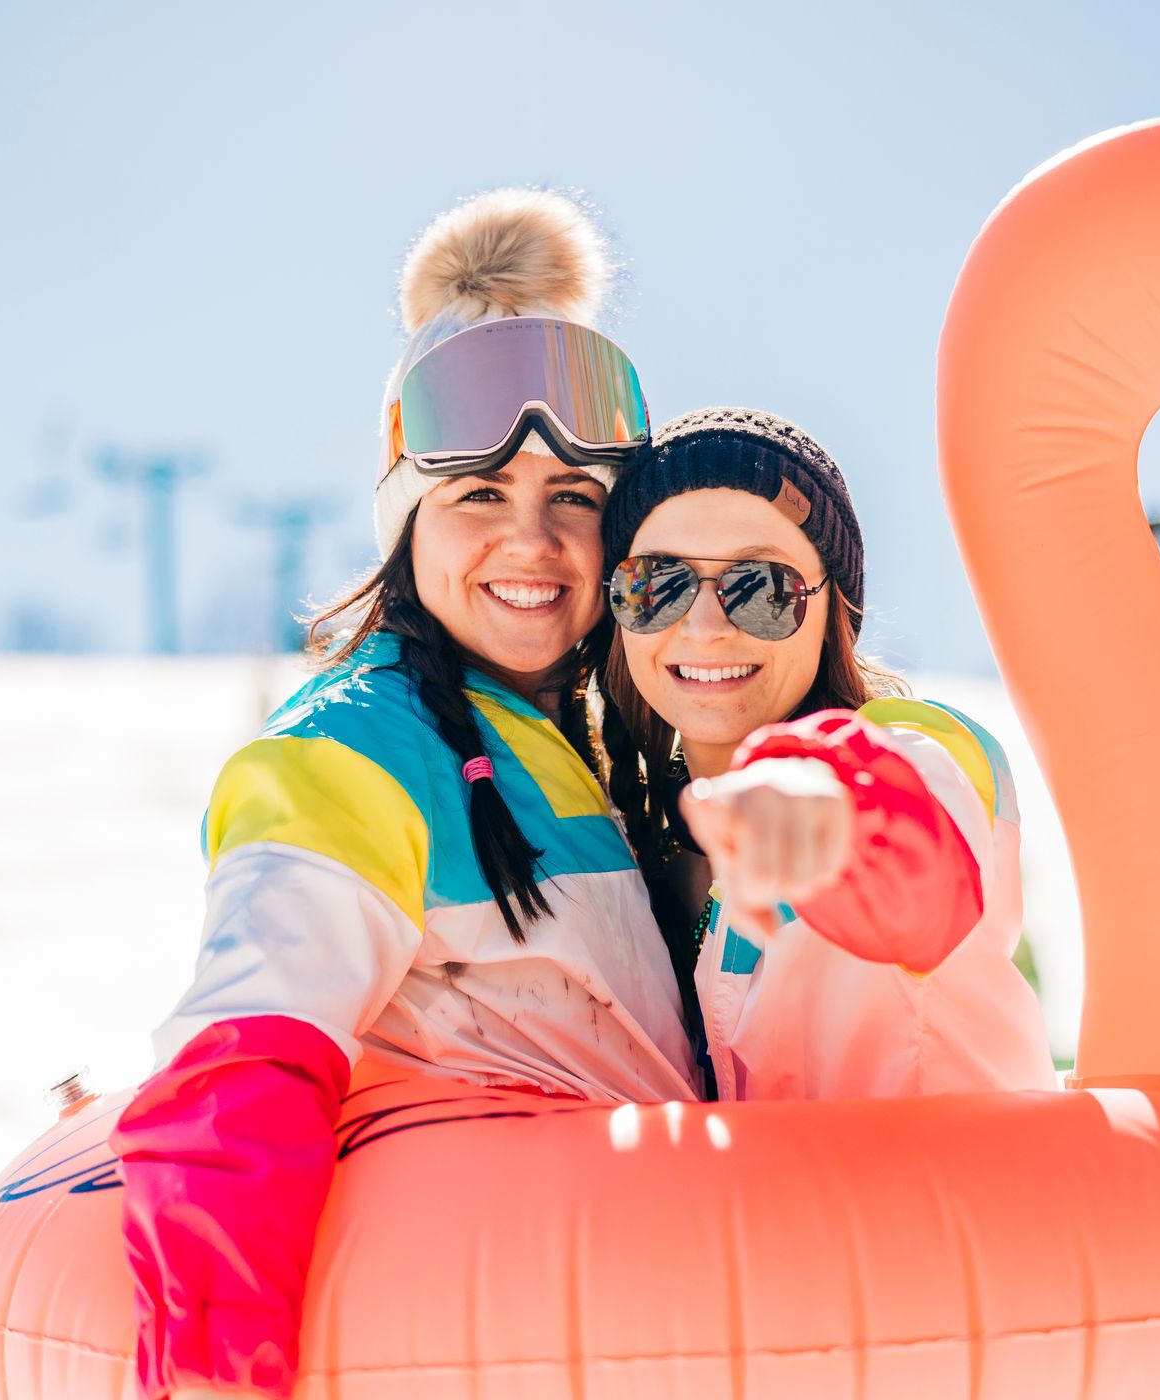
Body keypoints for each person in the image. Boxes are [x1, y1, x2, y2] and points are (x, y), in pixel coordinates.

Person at [111, 191, 698, 1400]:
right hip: (496, 1331)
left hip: (638, 1314)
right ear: (406, 523)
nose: (529, 542)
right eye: (479, 495)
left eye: (571, 501)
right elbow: (243, 1062)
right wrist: (220, 1372)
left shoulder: (598, 744)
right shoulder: (356, 747)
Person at [596, 407, 1056, 1100]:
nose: (704, 625)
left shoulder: (913, 750)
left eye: (761, 587)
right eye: (657, 584)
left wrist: (841, 819)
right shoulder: (634, 850)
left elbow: (919, 844)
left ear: (832, 609)